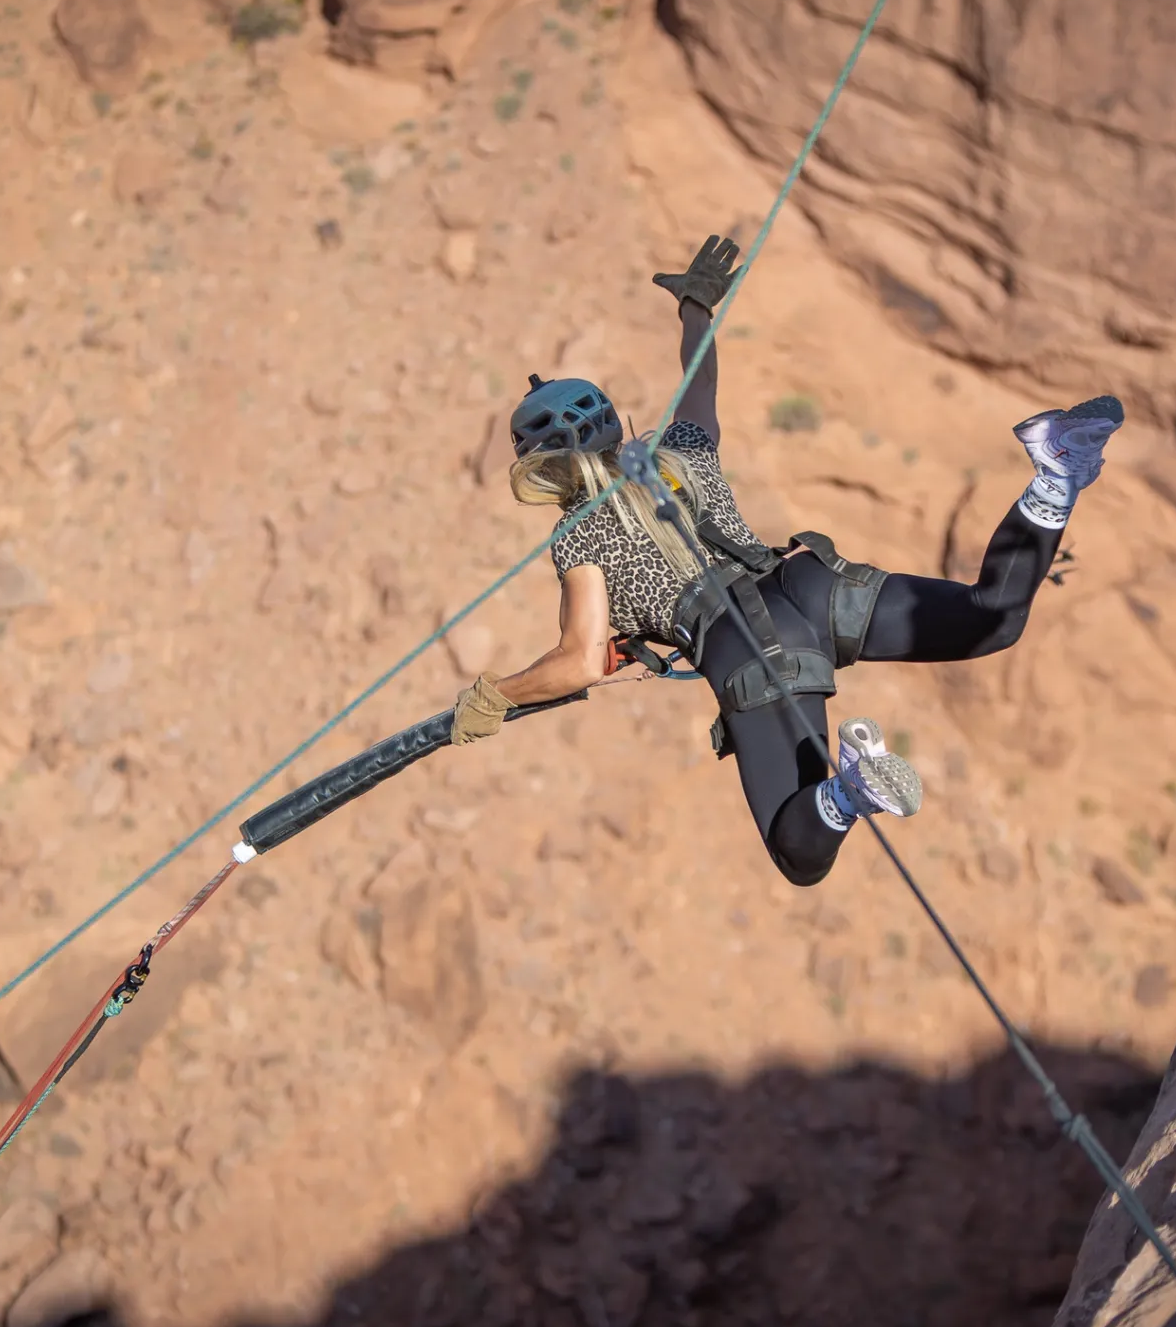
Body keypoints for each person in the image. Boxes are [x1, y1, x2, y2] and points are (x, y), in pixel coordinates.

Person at [446, 233, 1123, 886]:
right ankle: (1055, 474)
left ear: (539, 468)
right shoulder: (682, 448)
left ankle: (850, 791)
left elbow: (580, 661)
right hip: (807, 583)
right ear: (613, 421)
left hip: (748, 646)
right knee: (991, 619)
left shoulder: (579, 534)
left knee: (799, 854)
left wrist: (495, 698)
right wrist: (694, 306)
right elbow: (700, 370)